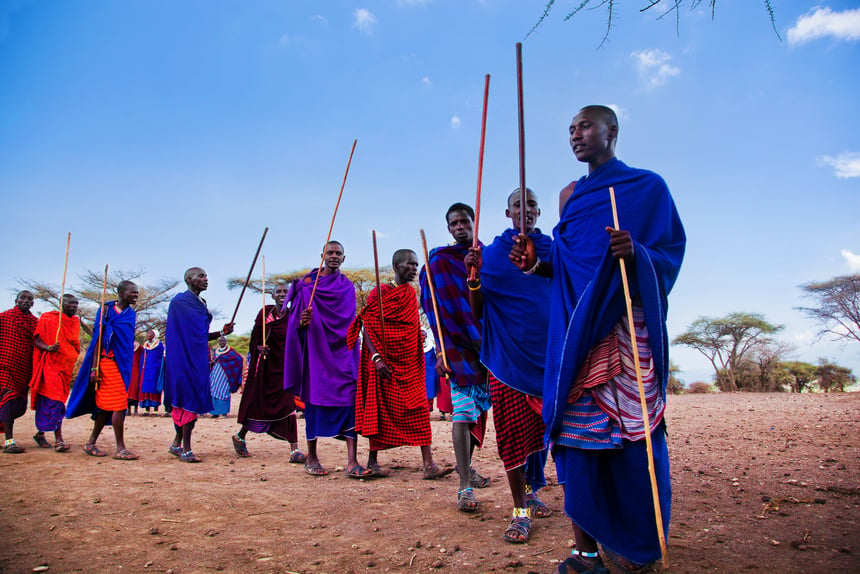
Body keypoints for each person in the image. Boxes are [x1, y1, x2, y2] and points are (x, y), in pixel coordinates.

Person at [510, 105, 685, 572]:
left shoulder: (648, 187)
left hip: (626, 332)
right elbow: (569, 267)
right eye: (570, 129)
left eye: (585, 125)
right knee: (576, 438)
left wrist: (638, 253)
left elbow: (669, 253)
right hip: (575, 336)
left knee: (633, 438)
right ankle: (585, 552)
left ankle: (638, 546)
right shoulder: (570, 196)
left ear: (612, 131)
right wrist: (535, 262)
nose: (576, 135)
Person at [464, 188, 552, 543]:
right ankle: (519, 511)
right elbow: (478, 310)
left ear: (539, 211)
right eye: (519, 204)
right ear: (507, 212)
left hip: (551, 359)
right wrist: (474, 278)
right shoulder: (491, 254)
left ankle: (533, 490)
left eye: (531, 203)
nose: (526, 209)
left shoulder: (553, 249)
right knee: (513, 440)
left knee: (547, 437)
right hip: (508, 361)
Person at [348, 249, 451, 480]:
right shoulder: (379, 293)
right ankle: (372, 462)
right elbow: (367, 325)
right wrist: (376, 359)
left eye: (416, 265)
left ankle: (428, 464)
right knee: (380, 409)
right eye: (410, 264)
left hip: (409, 362)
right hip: (384, 363)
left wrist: (417, 334)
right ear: (396, 266)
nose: (414, 269)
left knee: (419, 408)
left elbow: (407, 325)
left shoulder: (409, 292)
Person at [419, 203, 492, 513]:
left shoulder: (490, 255)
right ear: (449, 228)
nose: (460, 226)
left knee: (481, 416)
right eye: (454, 223)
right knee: (462, 415)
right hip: (457, 348)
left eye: (465, 221)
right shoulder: (438, 262)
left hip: (491, 345)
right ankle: (464, 486)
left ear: (474, 222)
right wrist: (439, 350)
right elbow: (432, 307)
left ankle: (472, 466)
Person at [283, 241, 369, 478]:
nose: (334, 256)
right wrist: (301, 321)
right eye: (330, 253)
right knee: (315, 401)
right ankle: (312, 456)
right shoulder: (306, 287)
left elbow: (350, 322)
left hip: (344, 354)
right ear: (322, 256)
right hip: (317, 354)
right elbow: (293, 324)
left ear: (344, 258)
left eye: (338, 253)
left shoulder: (347, 287)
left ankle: (352, 461)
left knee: (350, 401)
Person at [163, 268, 234, 463]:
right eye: (200, 276)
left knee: (191, 400)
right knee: (187, 401)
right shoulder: (180, 302)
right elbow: (183, 335)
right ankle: (186, 448)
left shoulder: (201, 303)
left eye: (206, 276)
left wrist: (222, 332)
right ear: (188, 279)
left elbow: (200, 335)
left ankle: (177, 444)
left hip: (198, 359)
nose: (205, 279)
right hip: (182, 359)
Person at [66, 281, 141, 460]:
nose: (136, 295)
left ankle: (90, 443)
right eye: (133, 292)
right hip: (106, 364)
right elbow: (97, 340)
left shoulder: (131, 315)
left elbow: (126, 341)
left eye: (137, 293)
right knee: (119, 404)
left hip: (123, 364)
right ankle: (120, 448)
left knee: (107, 407)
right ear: (122, 293)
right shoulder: (106, 310)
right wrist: (93, 367)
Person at [233, 282, 304, 460]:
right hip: (266, 368)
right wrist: (259, 348)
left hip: (286, 369)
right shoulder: (265, 313)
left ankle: (294, 449)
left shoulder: (294, 315)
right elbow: (255, 338)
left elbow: (300, 339)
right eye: (278, 292)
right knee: (258, 403)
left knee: (288, 405)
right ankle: (240, 436)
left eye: (285, 292)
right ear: (272, 296)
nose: (282, 294)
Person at [30, 294, 81, 452]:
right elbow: (36, 340)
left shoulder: (75, 321)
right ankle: (59, 439)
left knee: (54, 401)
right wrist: (48, 347)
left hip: (66, 367)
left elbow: (74, 343)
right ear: (61, 305)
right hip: (50, 366)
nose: (74, 306)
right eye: (70, 304)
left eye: (76, 304)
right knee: (56, 401)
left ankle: (40, 433)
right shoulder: (49, 318)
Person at [0, 291, 39, 453]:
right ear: (16, 300)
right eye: (23, 298)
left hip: (24, 370)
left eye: (30, 299)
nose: (26, 301)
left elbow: (39, 343)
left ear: (33, 304)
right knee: (8, 402)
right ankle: (9, 441)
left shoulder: (35, 322)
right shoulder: (4, 318)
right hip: (4, 367)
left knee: (17, 406)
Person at [208, 335, 243, 417]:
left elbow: (239, 359)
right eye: (220, 341)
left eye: (223, 341)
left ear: (226, 342)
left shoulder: (230, 351)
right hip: (215, 373)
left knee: (224, 391)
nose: (222, 342)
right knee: (213, 390)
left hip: (225, 374)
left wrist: (228, 365)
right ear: (218, 342)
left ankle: (224, 412)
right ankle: (214, 413)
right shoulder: (215, 351)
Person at [137, 329, 165, 415]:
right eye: (148, 333)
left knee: (154, 388)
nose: (148, 334)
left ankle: (155, 409)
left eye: (150, 333)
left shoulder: (159, 346)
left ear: (154, 335)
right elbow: (143, 357)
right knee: (145, 388)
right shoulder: (145, 345)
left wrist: (157, 367)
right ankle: (147, 409)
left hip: (155, 369)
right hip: (146, 369)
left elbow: (160, 358)